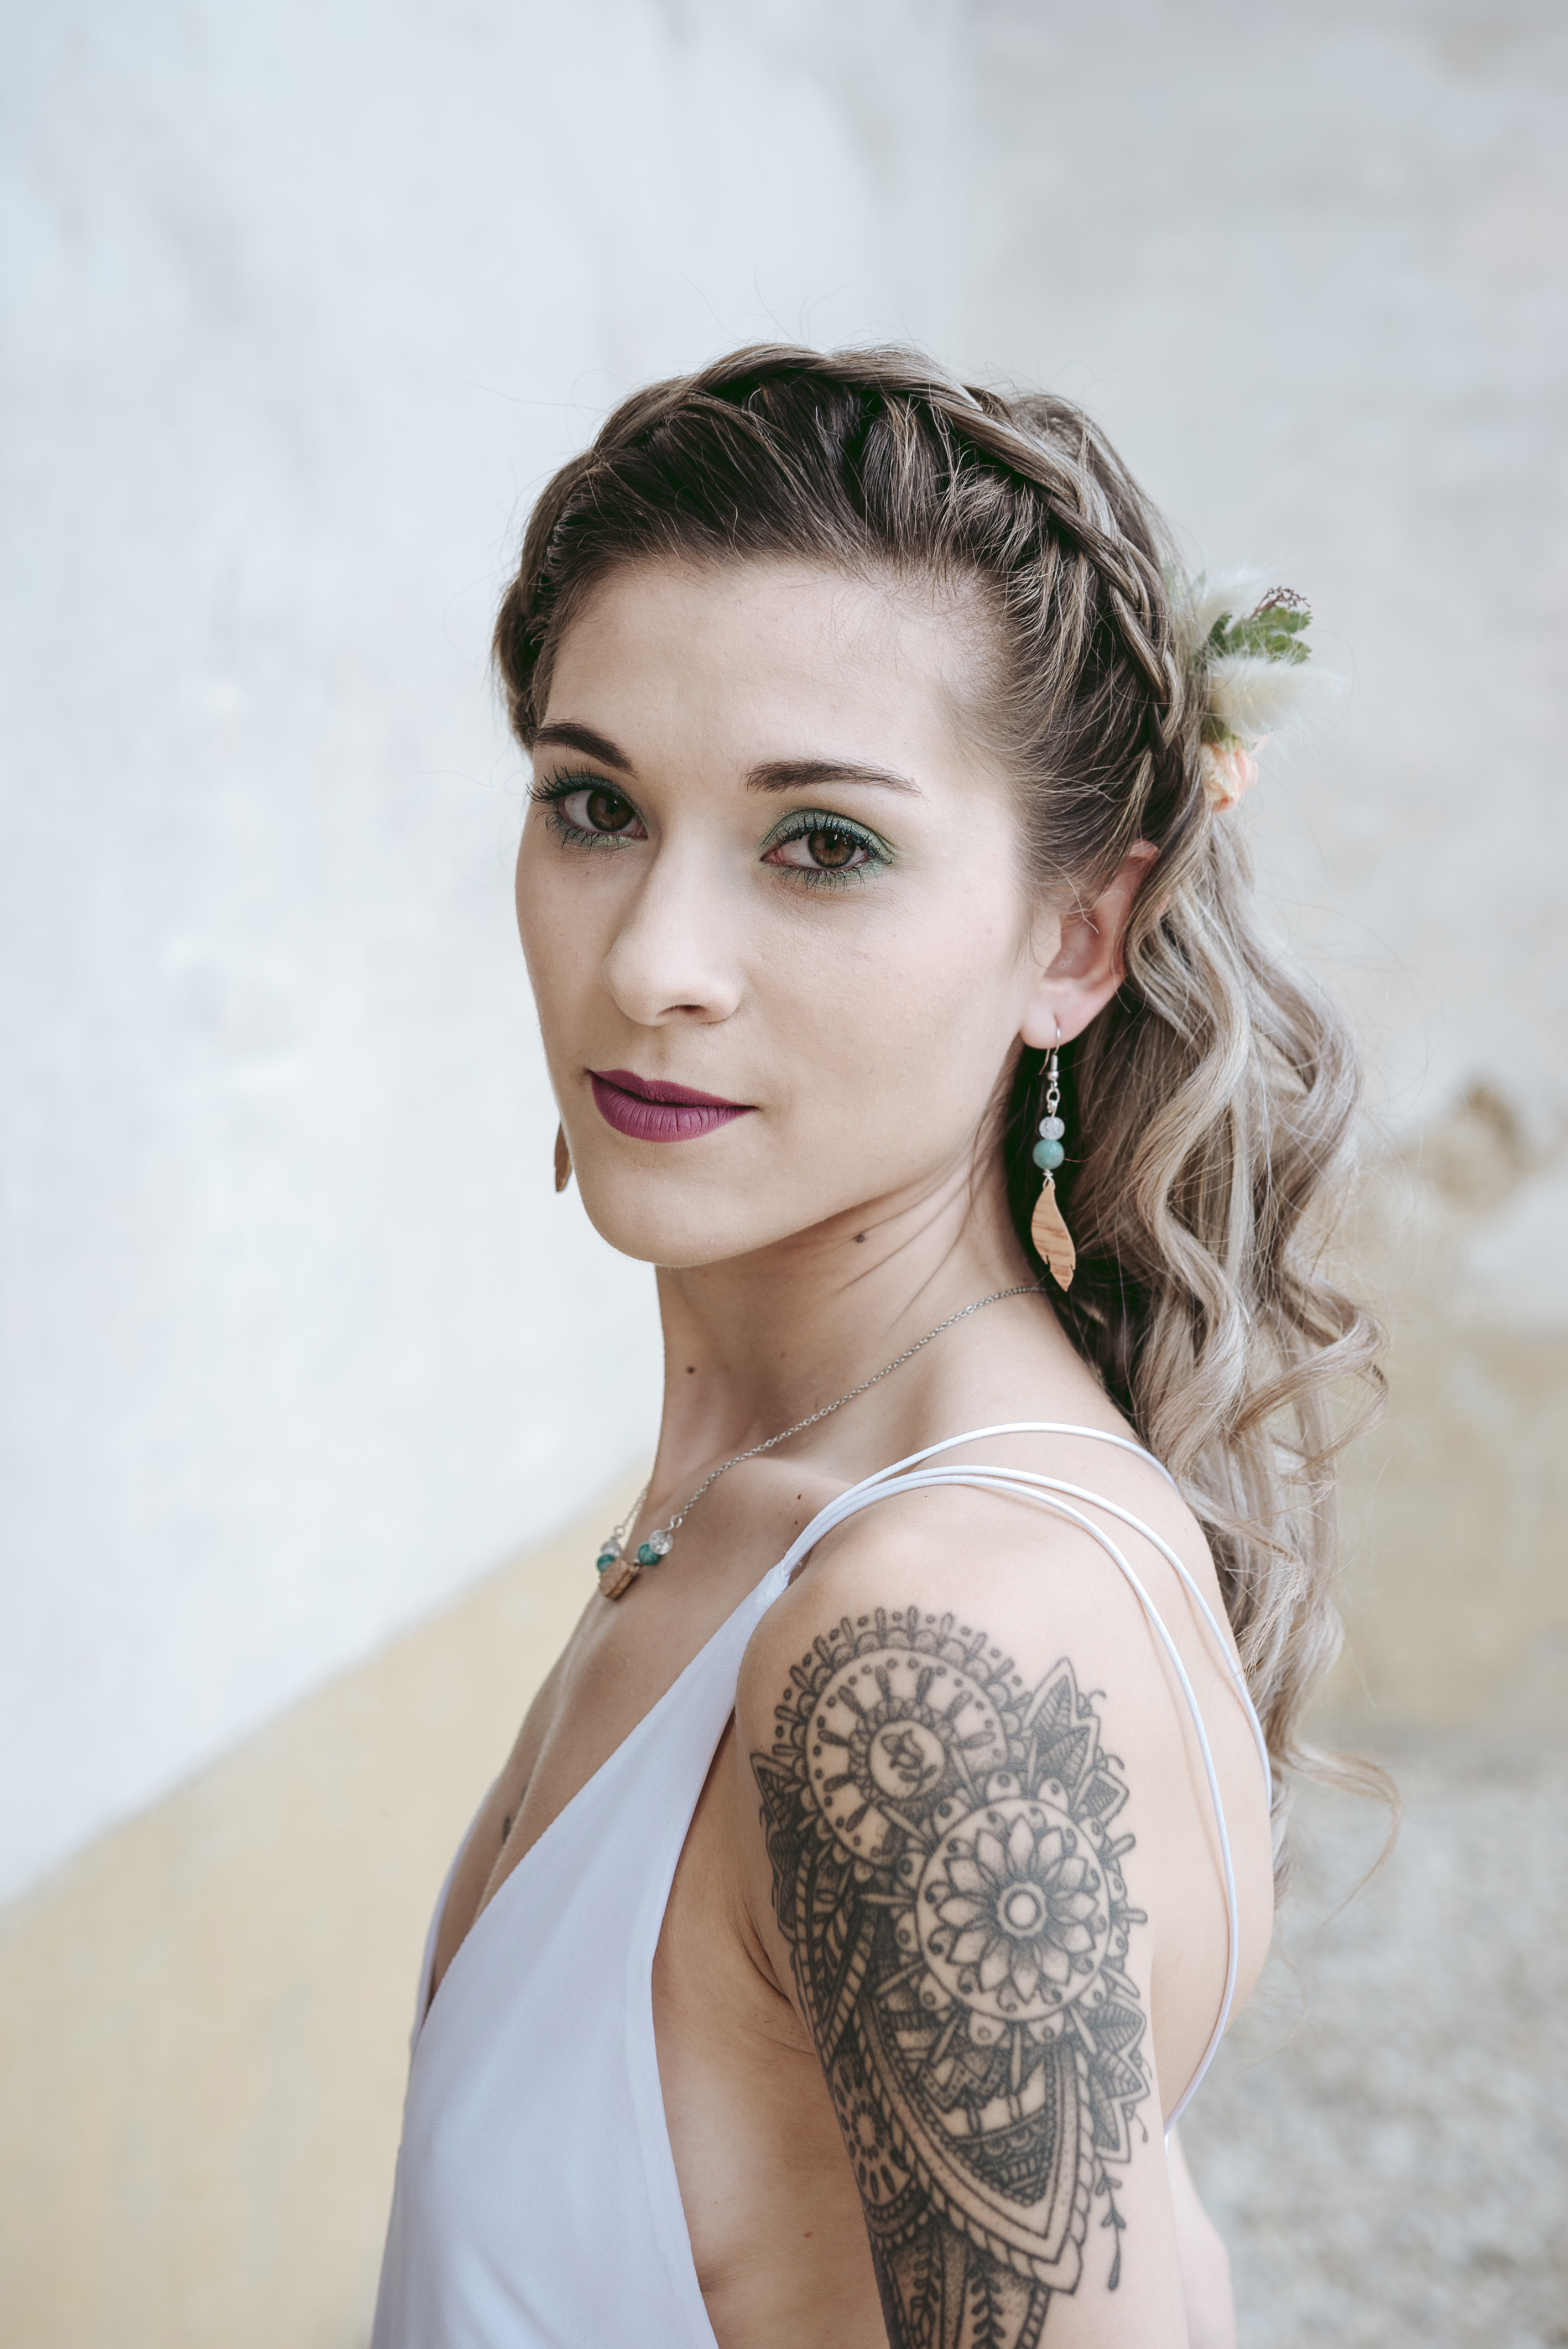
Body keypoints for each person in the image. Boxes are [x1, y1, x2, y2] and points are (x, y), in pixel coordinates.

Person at [370, 347, 1378, 2349]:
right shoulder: (764, 1503)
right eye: (594, 806)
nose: (649, 962)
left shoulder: (924, 1641)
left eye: (820, 843)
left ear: (1077, 938)